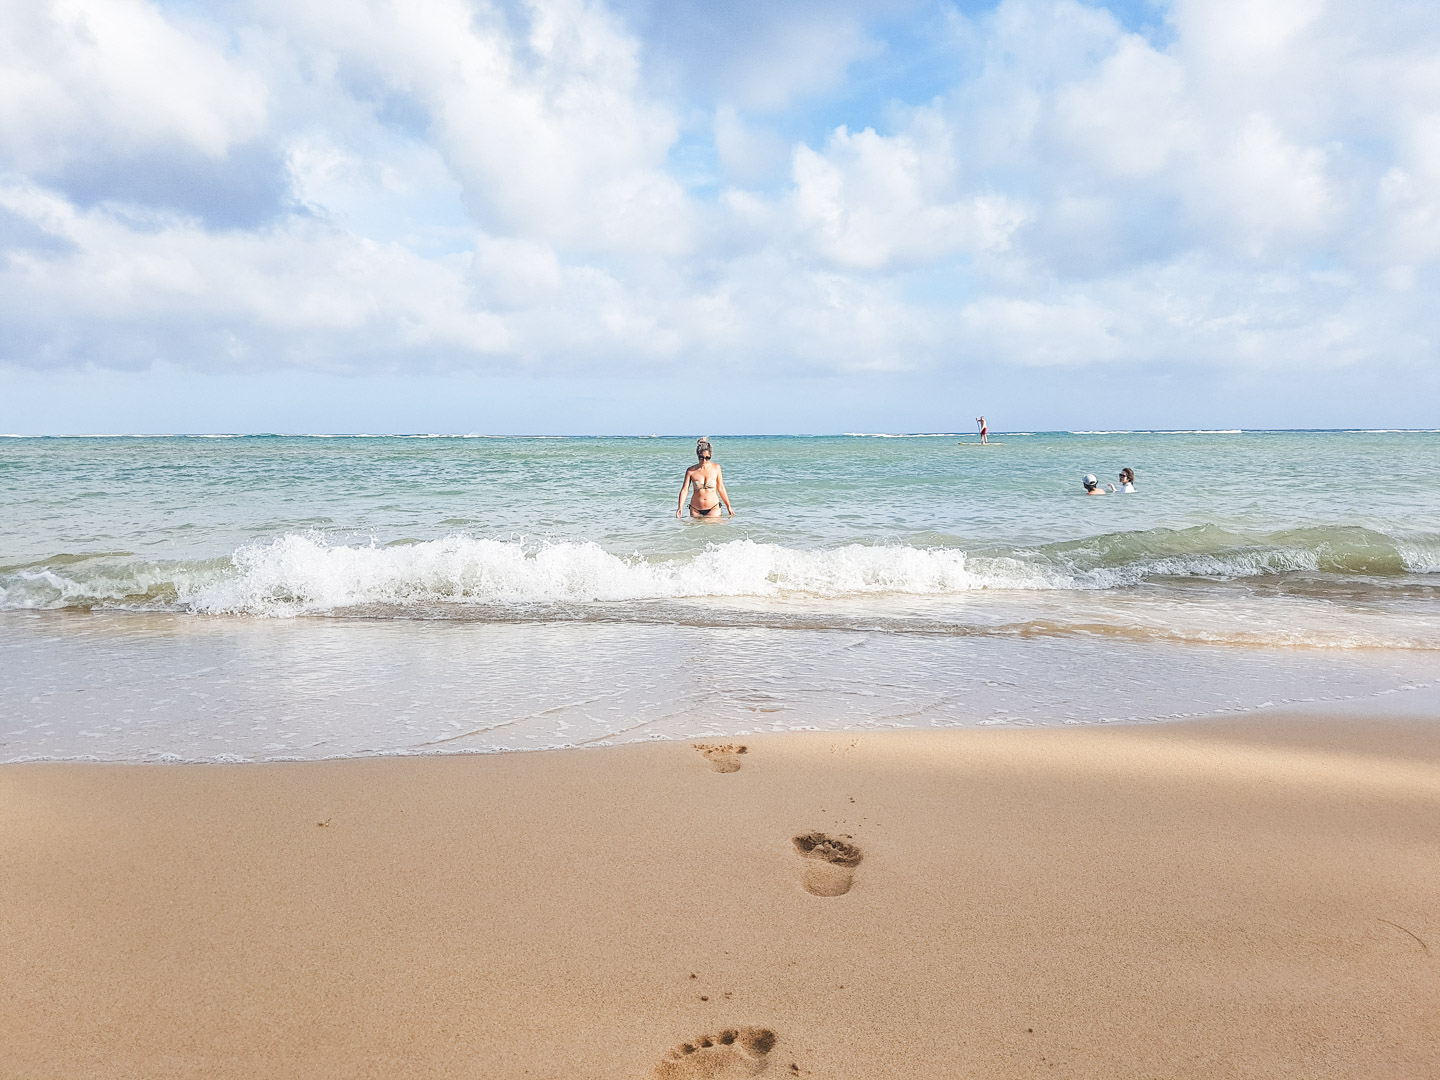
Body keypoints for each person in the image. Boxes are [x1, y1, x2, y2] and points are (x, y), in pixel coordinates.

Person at [677, 437, 734, 519]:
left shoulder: (716, 468)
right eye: (701, 457)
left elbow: (721, 488)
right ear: (697, 456)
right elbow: (685, 490)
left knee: (713, 531)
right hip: (695, 509)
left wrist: (729, 506)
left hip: (713, 508)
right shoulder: (691, 471)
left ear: (710, 456)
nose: (704, 460)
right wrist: (680, 507)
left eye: (707, 458)